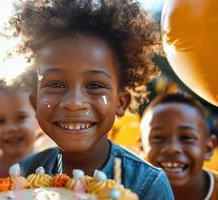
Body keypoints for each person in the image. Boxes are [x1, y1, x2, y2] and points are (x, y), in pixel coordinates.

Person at [9, 0, 174, 199]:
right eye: (56, 84)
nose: (74, 103)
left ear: (120, 102)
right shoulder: (26, 173)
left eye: (94, 86)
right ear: (35, 103)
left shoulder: (147, 185)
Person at [140, 92, 218, 200]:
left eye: (186, 138)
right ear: (141, 146)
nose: (172, 148)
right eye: (158, 138)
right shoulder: (126, 190)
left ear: (208, 148)